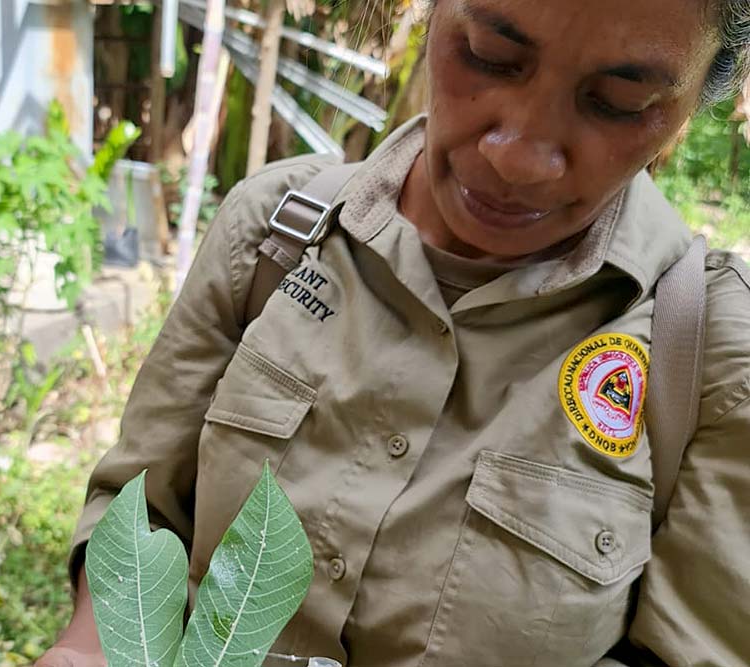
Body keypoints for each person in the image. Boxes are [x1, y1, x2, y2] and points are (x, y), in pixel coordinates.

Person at [38, 0, 750, 665]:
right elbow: (141, 512)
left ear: (687, 109)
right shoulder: (274, 231)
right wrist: (91, 646)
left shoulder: (711, 354)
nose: (517, 153)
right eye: (489, 55)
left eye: (619, 104)